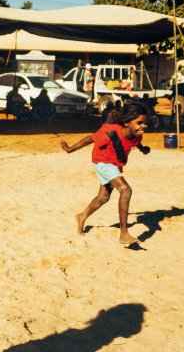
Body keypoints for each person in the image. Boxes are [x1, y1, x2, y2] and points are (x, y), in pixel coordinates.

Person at [60, 100, 151, 245]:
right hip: (102, 161)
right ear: (127, 122)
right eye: (139, 123)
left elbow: (135, 141)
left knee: (103, 197)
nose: (143, 127)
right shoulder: (110, 133)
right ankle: (124, 233)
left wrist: (142, 148)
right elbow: (91, 138)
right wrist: (70, 149)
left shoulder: (137, 135)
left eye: (145, 123)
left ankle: (81, 217)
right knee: (125, 189)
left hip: (114, 164)